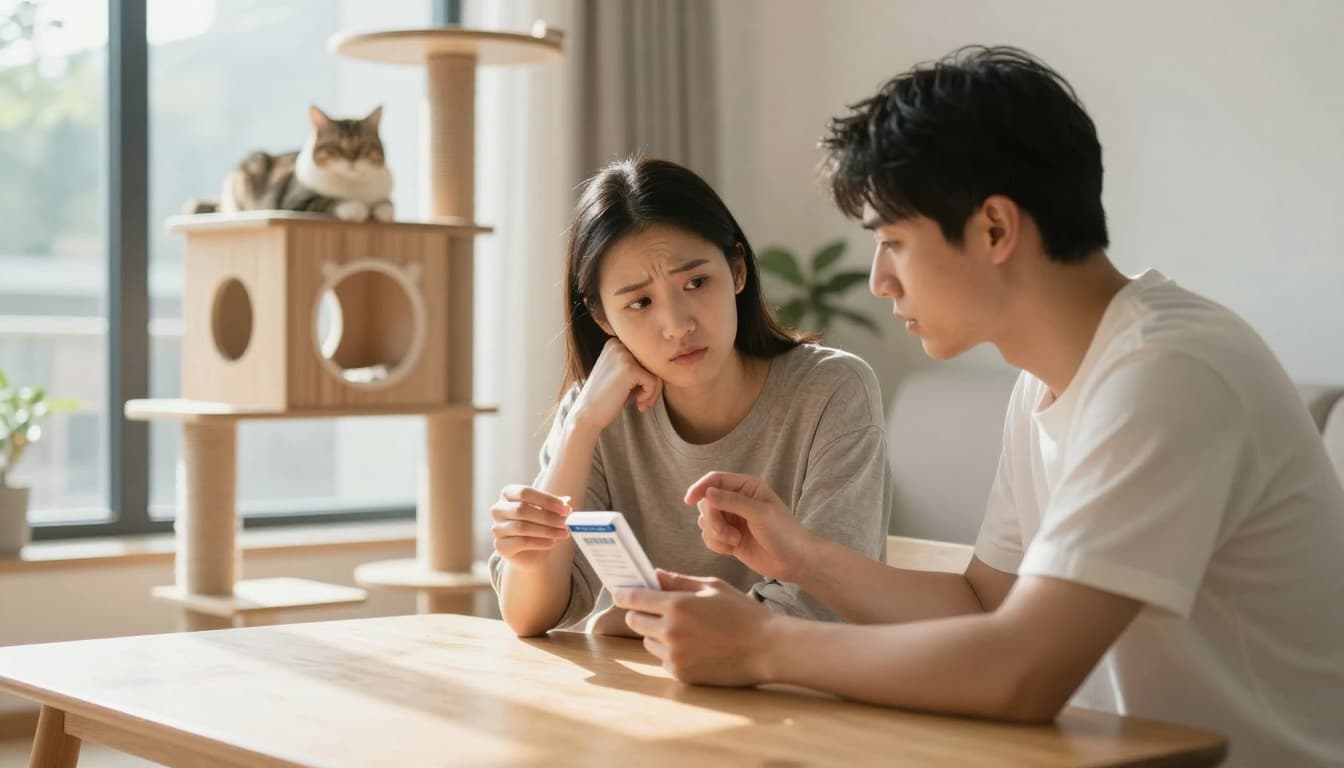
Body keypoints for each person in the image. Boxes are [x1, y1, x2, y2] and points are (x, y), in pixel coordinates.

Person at [611, 47, 1344, 766]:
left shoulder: (1169, 372)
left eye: (893, 241)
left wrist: (761, 644)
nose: (879, 281)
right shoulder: (1048, 381)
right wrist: (805, 560)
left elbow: (1022, 670)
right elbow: (983, 604)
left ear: (995, 228)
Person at [488, 156, 891, 637]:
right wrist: (580, 427)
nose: (678, 324)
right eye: (640, 302)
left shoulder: (832, 390)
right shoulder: (596, 409)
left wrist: (635, 620)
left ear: (737, 271)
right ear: (602, 319)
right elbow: (531, 615)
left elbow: (828, 603)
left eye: (697, 283)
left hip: (795, 697)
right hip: (650, 699)